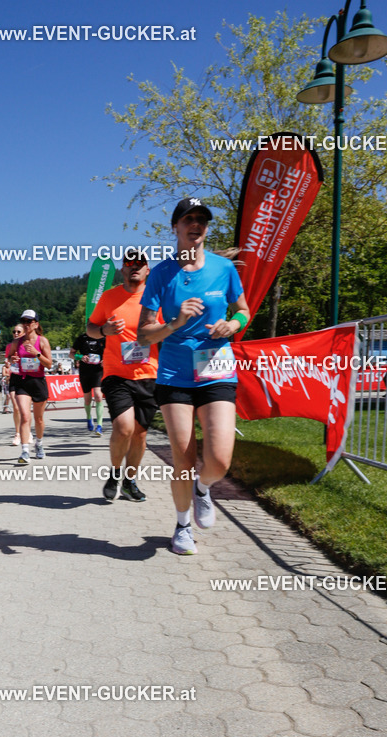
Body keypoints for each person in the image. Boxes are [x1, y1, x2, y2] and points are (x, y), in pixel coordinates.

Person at [138, 197, 250, 555]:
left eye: (202, 219)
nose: (196, 224)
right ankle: (182, 525)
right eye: (189, 218)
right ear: (176, 227)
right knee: (183, 458)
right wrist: (176, 322)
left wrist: (232, 323)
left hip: (216, 368)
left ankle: (204, 488)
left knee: (219, 459)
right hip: (174, 374)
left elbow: (244, 311)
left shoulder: (222, 268)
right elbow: (143, 335)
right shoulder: (161, 274)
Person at [87, 249, 161, 502]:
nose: (134, 267)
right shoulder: (109, 297)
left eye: (140, 263)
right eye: (129, 263)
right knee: (124, 427)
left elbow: (165, 331)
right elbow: (91, 328)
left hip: (149, 373)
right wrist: (105, 330)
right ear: (122, 269)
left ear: (148, 269)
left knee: (140, 433)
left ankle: (130, 480)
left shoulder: (156, 297)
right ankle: (115, 472)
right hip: (116, 373)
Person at [8, 310, 52, 464]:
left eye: (29, 321)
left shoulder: (42, 341)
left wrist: (36, 354)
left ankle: (39, 444)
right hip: (22, 381)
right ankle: (25, 450)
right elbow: (10, 357)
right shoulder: (17, 342)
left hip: (38, 382)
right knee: (25, 416)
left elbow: (49, 364)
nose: (26, 324)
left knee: (39, 419)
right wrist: (12, 358)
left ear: (36, 324)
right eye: (24, 321)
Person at [71, 332, 105, 435]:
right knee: (87, 399)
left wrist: (105, 360)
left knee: (98, 395)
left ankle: (99, 426)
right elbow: (71, 354)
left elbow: (111, 352)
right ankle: (89, 417)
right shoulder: (82, 337)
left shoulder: (103, 337)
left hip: (98, 371)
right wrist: (80, 357)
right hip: (85, 371)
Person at [4, 326, 23, 445]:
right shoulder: (9, 346)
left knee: (24, 408)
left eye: (18, 331)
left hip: (26, 377)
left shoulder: (27, 344)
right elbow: (8, 360)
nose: (15, 333)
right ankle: (17, 433)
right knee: (15, 406)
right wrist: (9, 361)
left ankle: (26, 431)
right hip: (14, 377)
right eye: (14, 331)